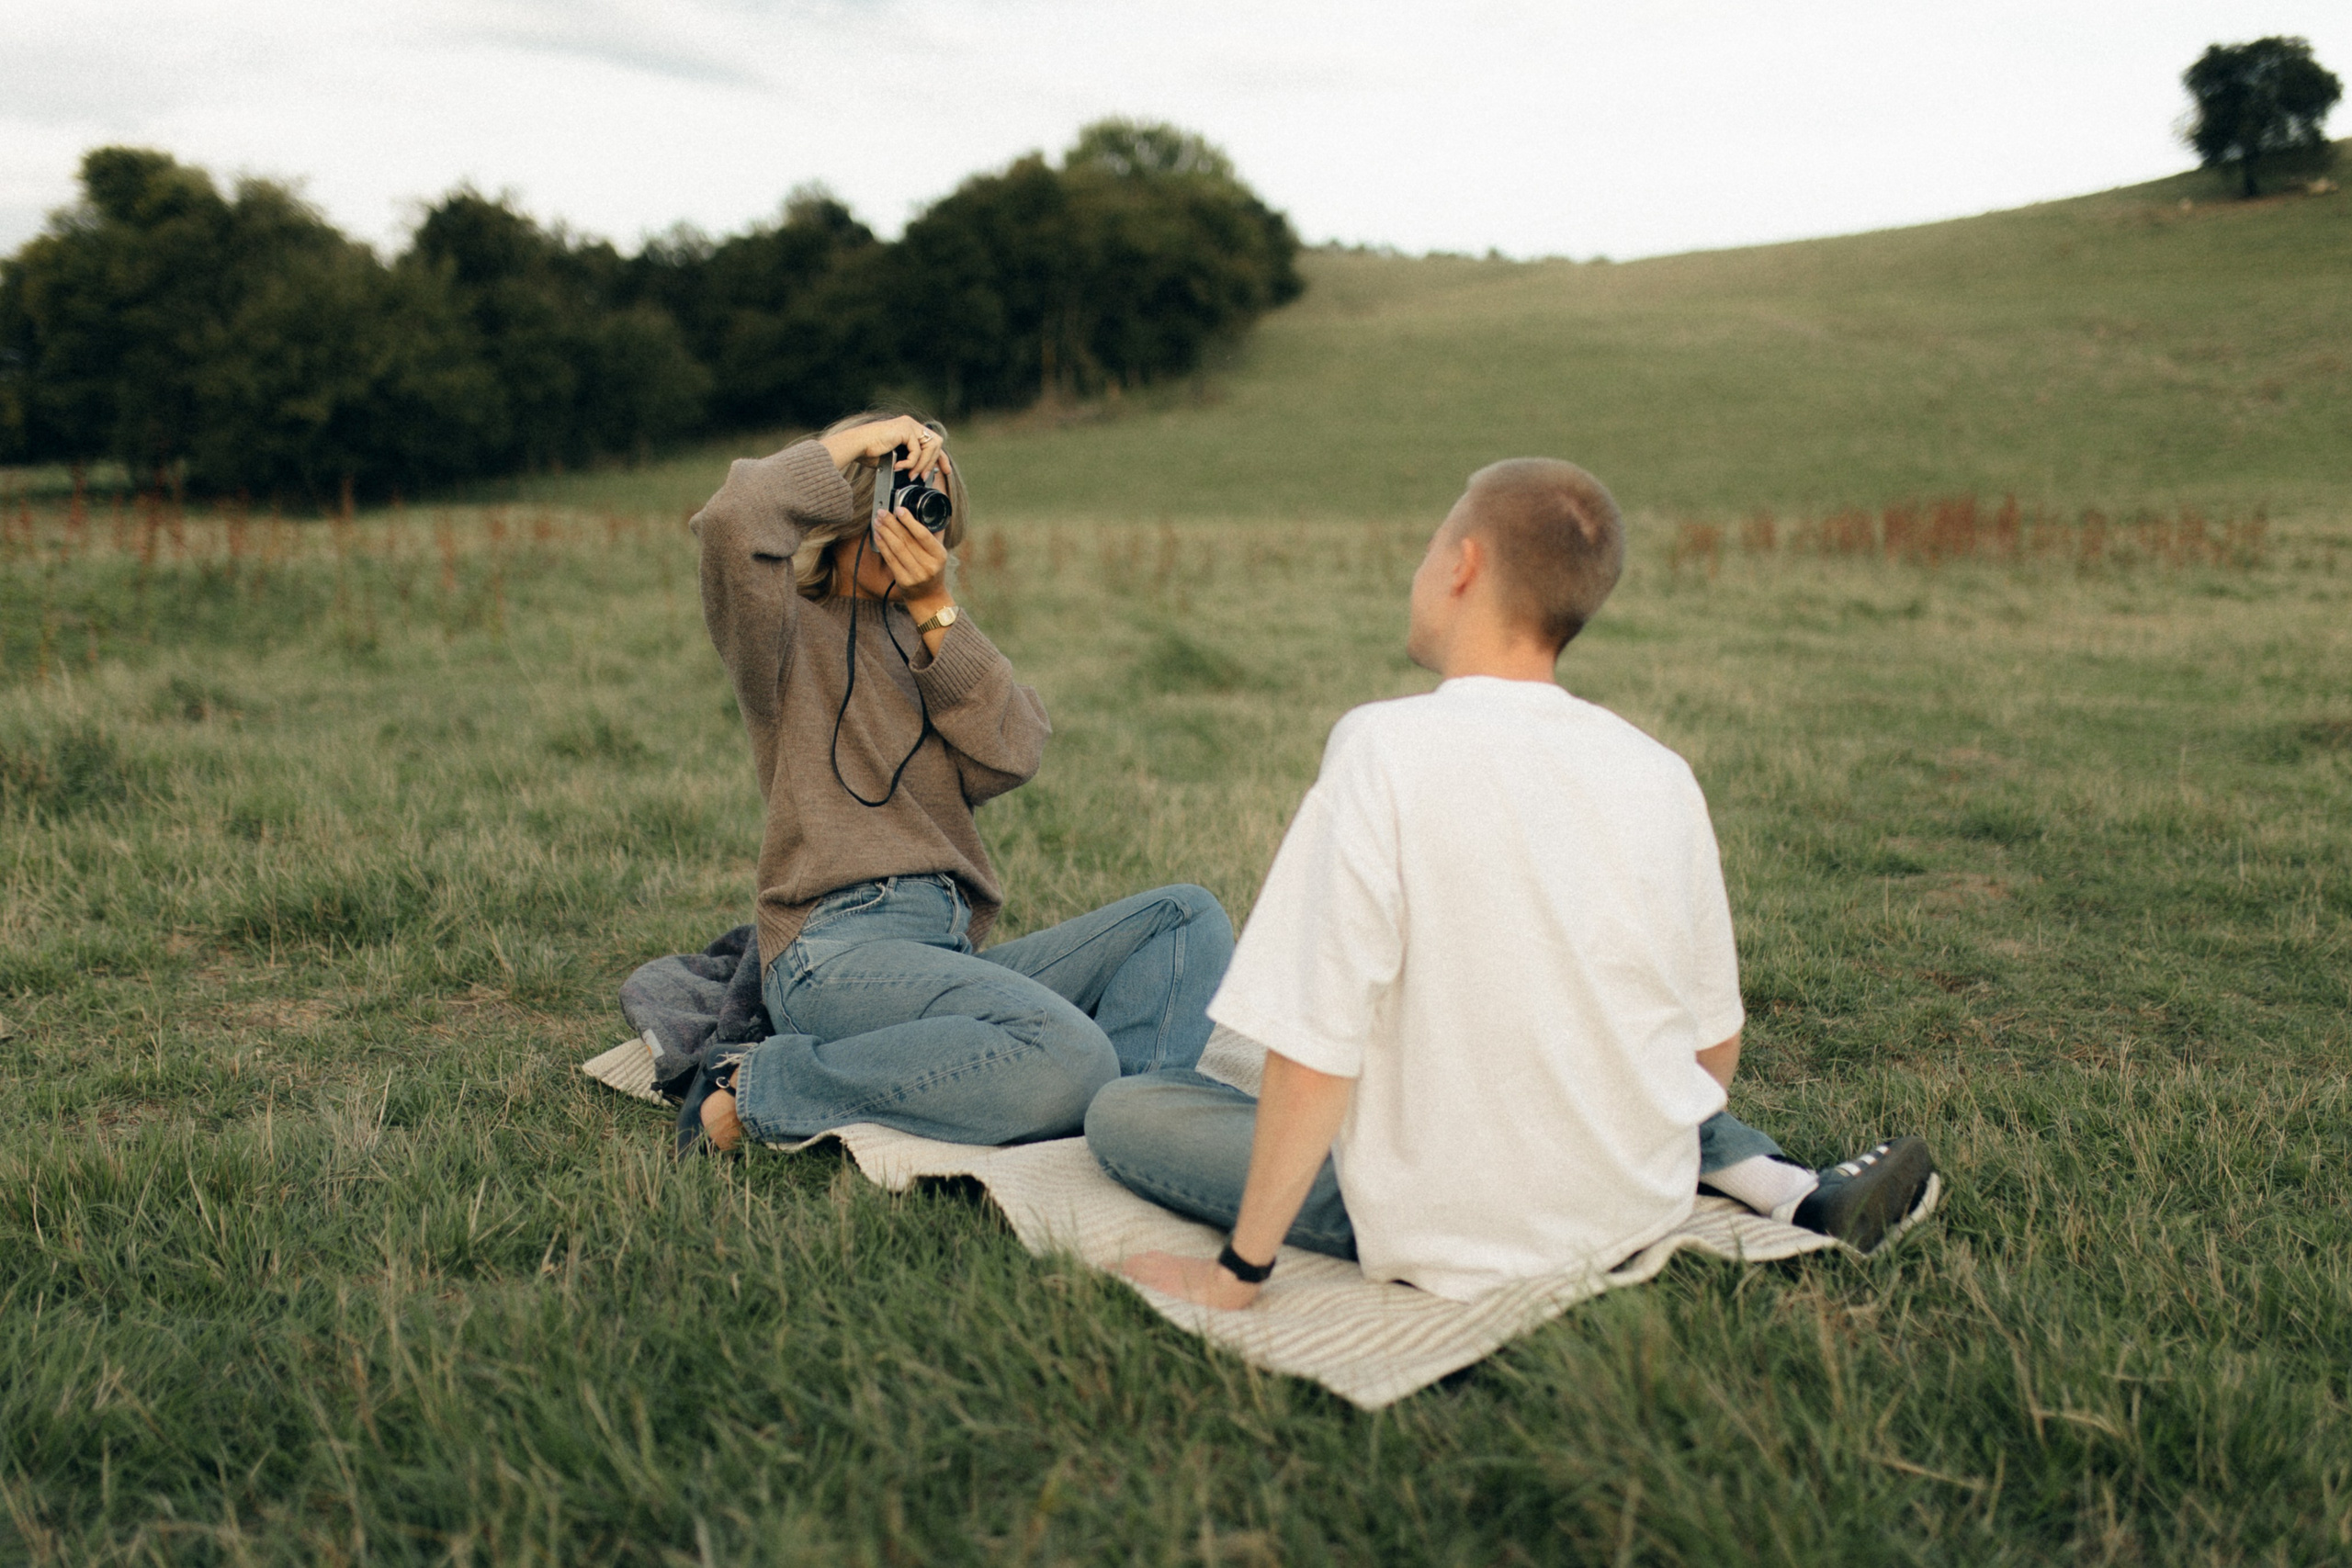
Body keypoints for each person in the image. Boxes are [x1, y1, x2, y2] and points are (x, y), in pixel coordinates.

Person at [1092, 457, 1934, 1308]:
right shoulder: (1660, 771)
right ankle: (1766, 1180)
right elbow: (1711, 1049)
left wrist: (1238, 1271)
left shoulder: (1382, 748)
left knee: (1128, 1110)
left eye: (1430, 548)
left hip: (1456, 1225)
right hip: (1635, 1204)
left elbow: (1313, 1046)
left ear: (1463, 564)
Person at [688, 412, 1232, 1153]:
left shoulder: (934, 634)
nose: (923, 513)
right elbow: (733, 520)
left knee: (1185, 918)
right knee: (1069, 1053)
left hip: (941, 951)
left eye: (935, 499)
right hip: (832, 951)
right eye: (905, 487)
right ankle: (764, 1084)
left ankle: (1126, 1123)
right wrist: (858, 442)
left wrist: (933, 605)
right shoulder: (781, 629)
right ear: (858, 498)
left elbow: (1014, 752)